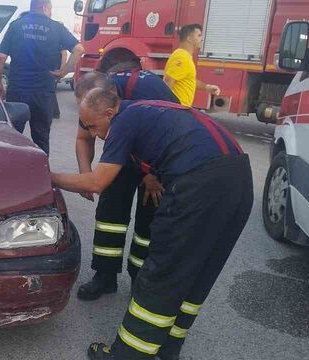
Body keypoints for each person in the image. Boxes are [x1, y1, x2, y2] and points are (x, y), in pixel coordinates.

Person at [52, 89, 253, 360]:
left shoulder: (123, 121)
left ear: (109, 113)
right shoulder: (148, 109)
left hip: (200, 186)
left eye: (94, 126)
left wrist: (49, 176)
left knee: (162, 273)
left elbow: (97, 182)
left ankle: (127, 355)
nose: (95, 134)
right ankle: (169, 347)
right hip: (240, 180)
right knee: (199, 270)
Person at [73, 66, 180, 302]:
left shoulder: (150, 90)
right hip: (121, 154)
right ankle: (105, 276)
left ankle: (140, 280)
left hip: (157, 161)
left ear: (111, 95)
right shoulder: (93, 100)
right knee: (110, 214)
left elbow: (173, 134)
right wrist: (85, 176)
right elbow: (83, 138)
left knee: (148, 220)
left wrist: (153, 174)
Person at [0, 0, 85, 155]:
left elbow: (1, 57)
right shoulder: (57, 27)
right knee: (41, 138)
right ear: (45, 7)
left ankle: (10, 172)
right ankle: (40, 173)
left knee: (13, 136)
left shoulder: (16, 26)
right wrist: (63, 72)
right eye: (51, 9)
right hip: (43, 93)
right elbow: (79, 49)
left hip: (18, 91)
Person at [163, 24, 220, 107]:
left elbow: (190, 79)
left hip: (181, 109)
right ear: (189, 39)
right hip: (177, 109)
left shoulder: (185, 56)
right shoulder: (182, 57)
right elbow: (168, 81)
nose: (202, 39)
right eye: (199, 35)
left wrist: (207, 87)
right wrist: (168, 108)